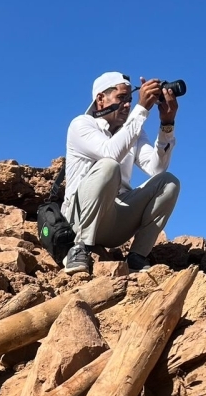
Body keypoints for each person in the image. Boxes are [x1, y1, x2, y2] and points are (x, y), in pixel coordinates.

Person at [61, 72, 180, 274]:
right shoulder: (82, 124)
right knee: (109, 165)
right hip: (79, 219)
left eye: (130, 100)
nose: (127, 106)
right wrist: (141, 109)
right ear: (100, 99)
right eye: (121, 99)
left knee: (168, 182)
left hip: (114, 223)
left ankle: (138, 255)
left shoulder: (133, 131)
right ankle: (79, 248)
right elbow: (110, 153)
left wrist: (166, 124)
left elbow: (156, 169)